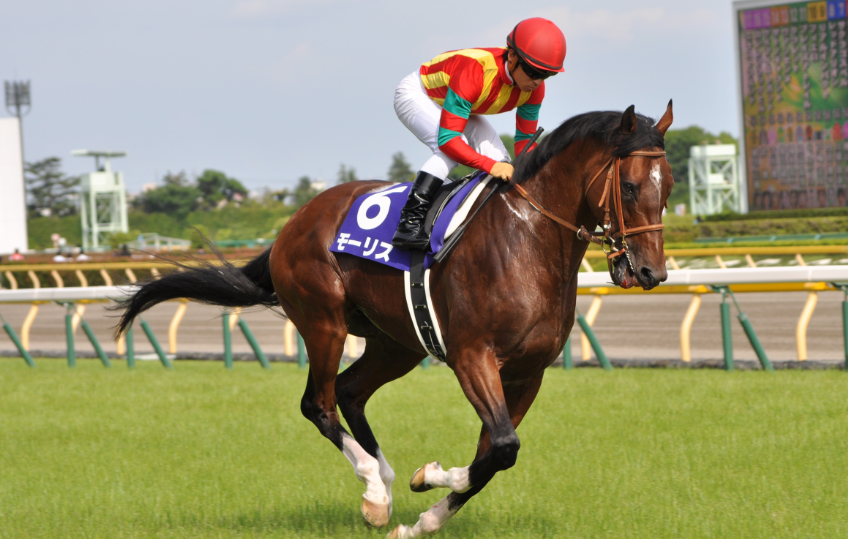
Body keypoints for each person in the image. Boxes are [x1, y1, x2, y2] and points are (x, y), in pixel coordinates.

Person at [391, 18, 566, 249]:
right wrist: (489, 166)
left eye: (546, 75)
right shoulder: (476, 72)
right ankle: (408, 224)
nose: (537, 81)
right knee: (455, 150)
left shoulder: (534, 89)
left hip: (457, 103)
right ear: (511, 57)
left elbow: (525, 140)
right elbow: (448, 140)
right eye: (533, 72)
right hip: (418, 94)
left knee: (502, 160)